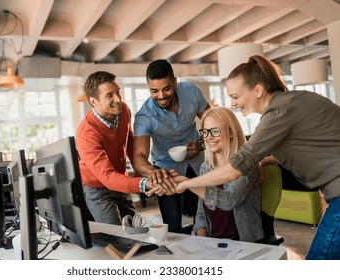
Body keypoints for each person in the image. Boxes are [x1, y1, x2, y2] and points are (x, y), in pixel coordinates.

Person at [156, 55, 340, 260]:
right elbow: (307, 145)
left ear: (258, 90)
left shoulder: (278, 112)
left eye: (236, 96)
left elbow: (235, 169)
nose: (233, 103)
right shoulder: (288, 105)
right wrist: (265, 160)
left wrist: (185, 184)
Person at [133, 59, 210, 233]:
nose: (161, 95)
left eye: (166, 88)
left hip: (197, 163)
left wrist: (201, 144)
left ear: (174, 82)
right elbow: (138, 158)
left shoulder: (191, 91)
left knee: (206, 217)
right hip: (166, 172)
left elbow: (213, 124)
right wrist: (155, 173)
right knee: (172, 226)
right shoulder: (144, 116)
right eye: (154, 91)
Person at [75, 71, 155, 225]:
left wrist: (142, 167)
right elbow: (107, 177)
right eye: (109, 95)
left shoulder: (124, 111)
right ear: (94, 101)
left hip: (119, 179)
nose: (118, 99)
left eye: (117, 92)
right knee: (115, 233)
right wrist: (143, 184)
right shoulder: (86, 133)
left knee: (133, 229)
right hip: (97, 188)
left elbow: (129, 138)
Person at [191, 107, 263, 242]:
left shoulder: (246, 166)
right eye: (205, 132)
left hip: (243, 244)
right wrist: (203, 242)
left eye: (215, 131)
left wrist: (186, 184)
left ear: (231, 132)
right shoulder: (205, 168)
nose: (208, 137)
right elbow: (201, 213)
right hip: (214, 243)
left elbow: (229, 201)